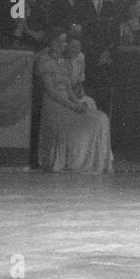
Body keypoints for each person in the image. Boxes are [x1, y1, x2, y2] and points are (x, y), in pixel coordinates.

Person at [35, 28, 113, 173]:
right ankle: (73, 162)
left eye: (64, 42)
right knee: (89, 121)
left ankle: (95, 162)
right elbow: (51, 91)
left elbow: (69, 89)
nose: (62, 45)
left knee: (101, 118)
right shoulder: (44, 60)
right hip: (54, 105)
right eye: (59, 41)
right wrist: (72, 106)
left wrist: (77, 103)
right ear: (51, 42)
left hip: (68, 103)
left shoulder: (63, 62)